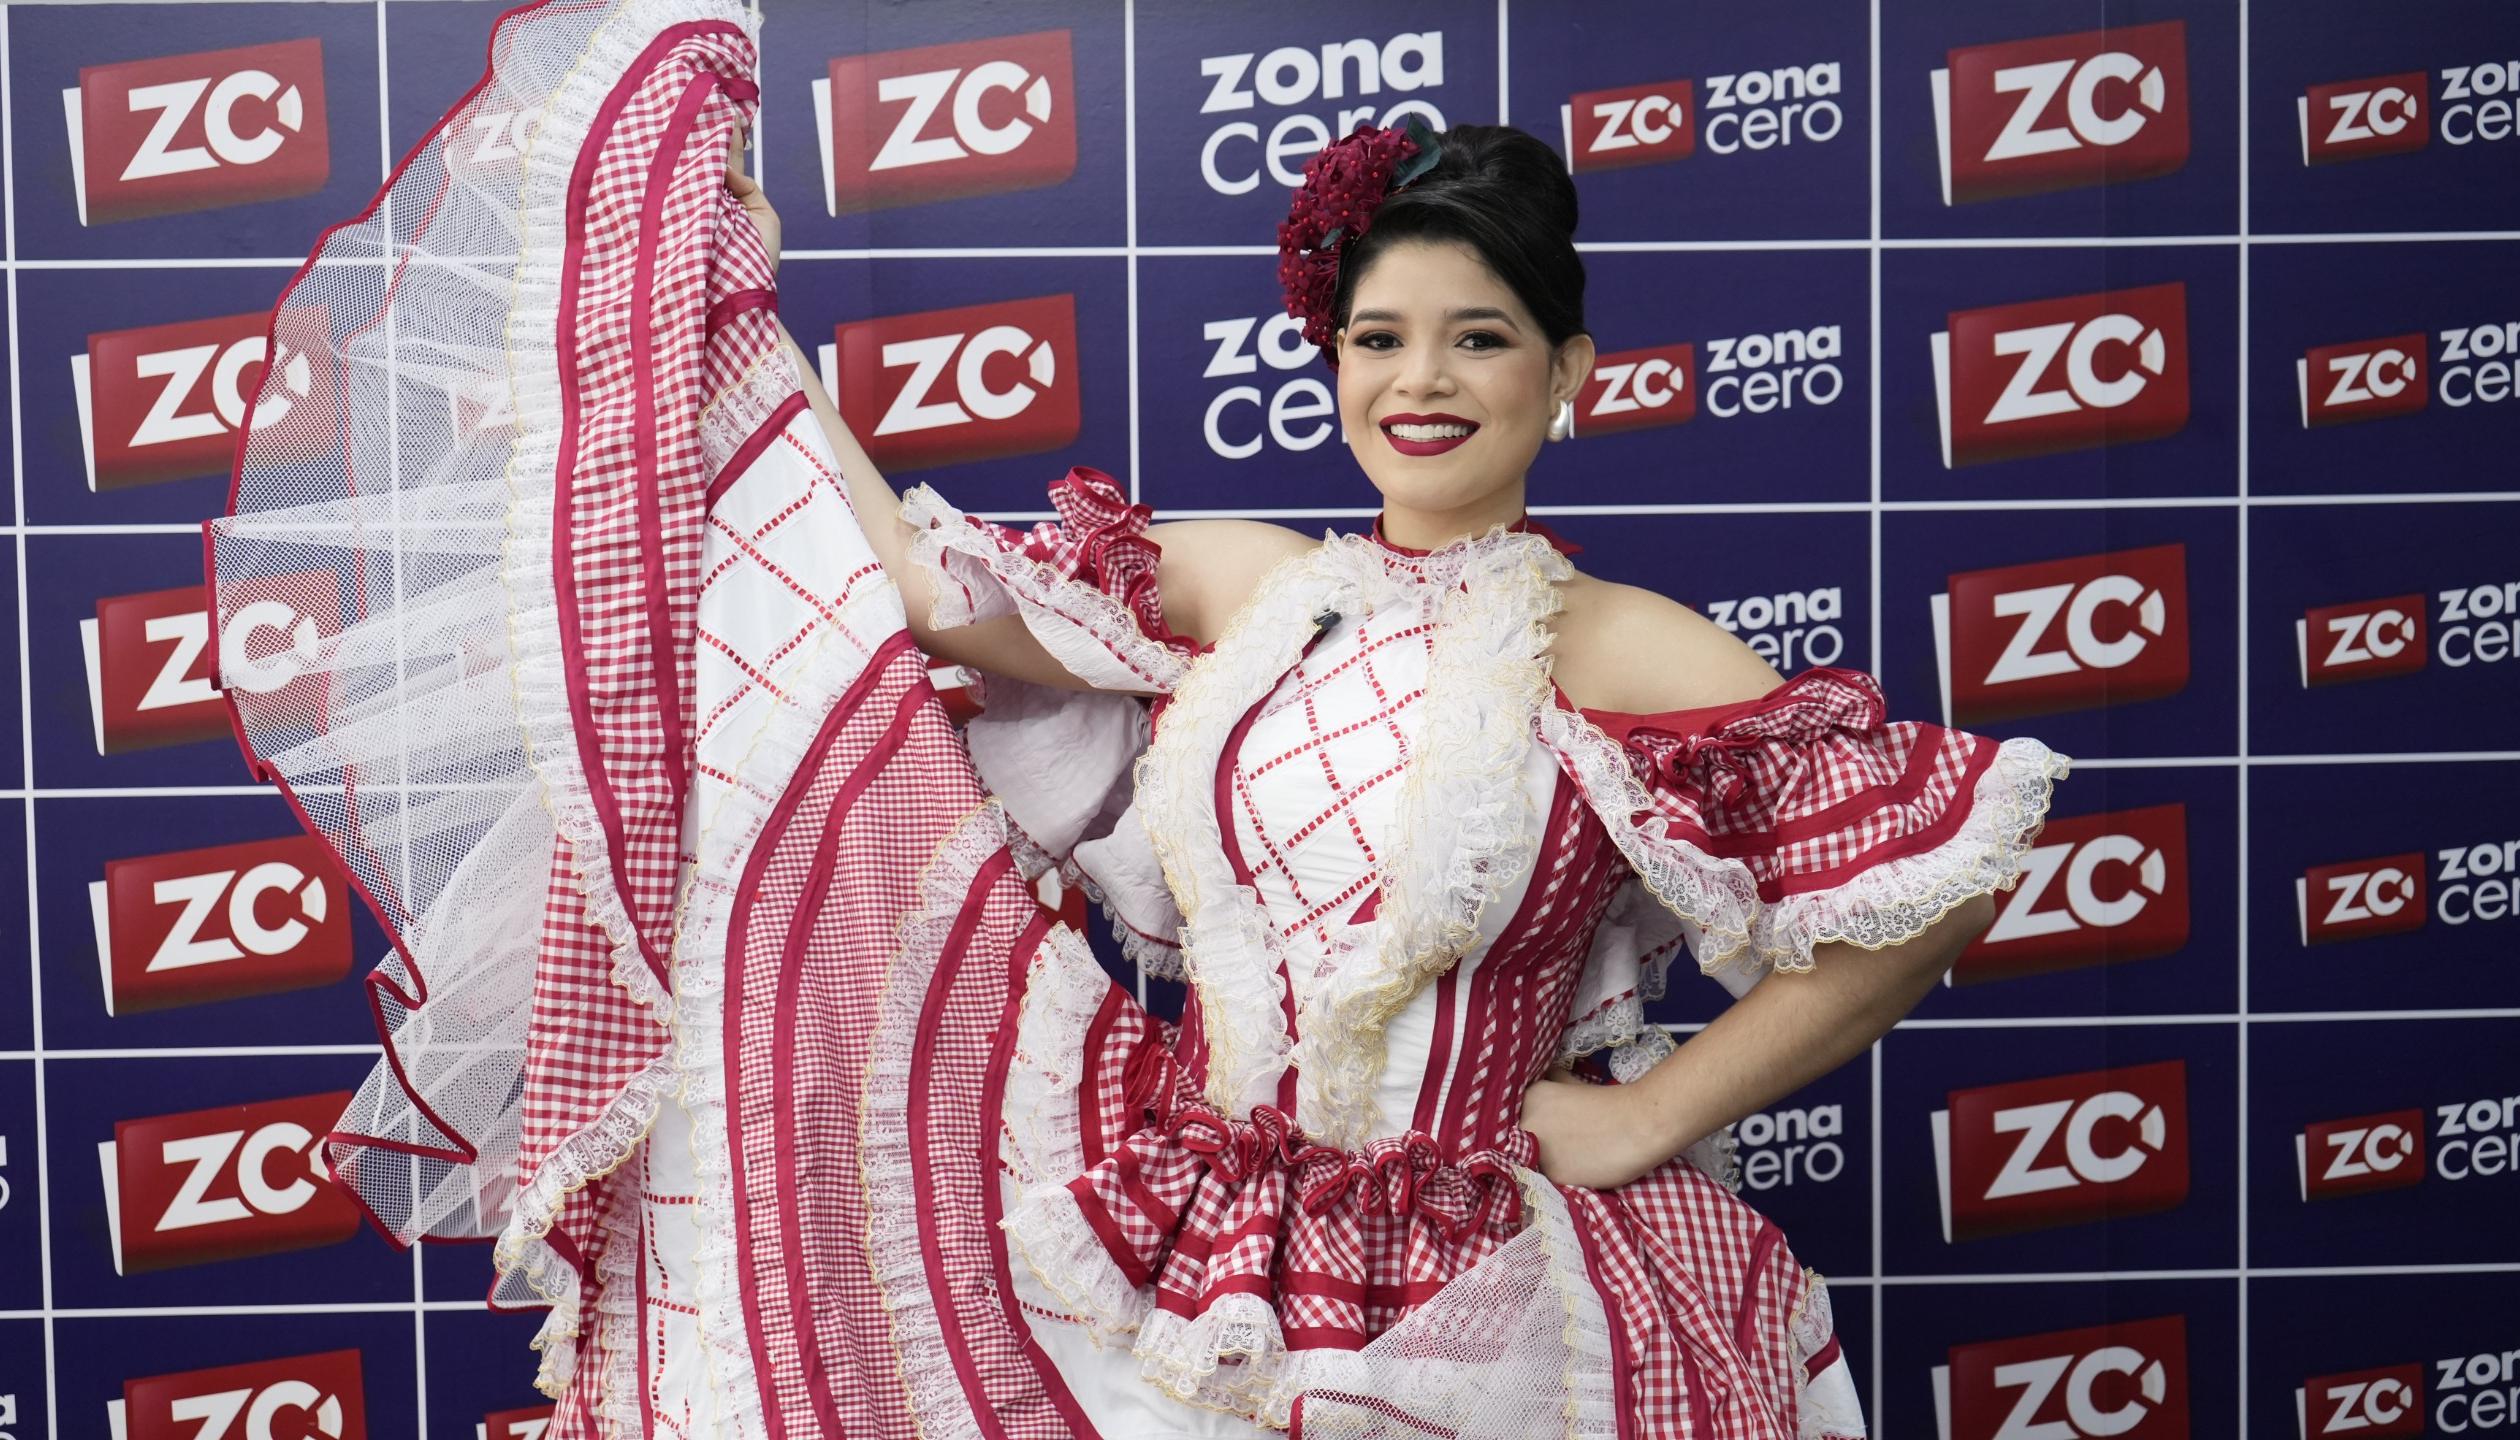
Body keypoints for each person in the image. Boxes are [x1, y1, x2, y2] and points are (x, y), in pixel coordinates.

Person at [209, 4, 2068, 1437]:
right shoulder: (1255, 581)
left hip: (1499, 1286)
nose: (1421, 381)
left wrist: (1654, 1110)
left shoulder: (1623, 643)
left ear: (1568, 375)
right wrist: (745, 355)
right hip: (1191, 1235)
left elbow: (1933, 888)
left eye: (1479, 337)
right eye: (1378, 337)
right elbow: (928, 599)